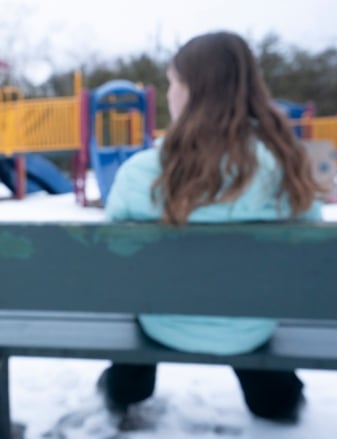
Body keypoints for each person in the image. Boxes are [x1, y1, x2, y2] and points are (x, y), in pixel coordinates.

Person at [100, 31, 323, 422]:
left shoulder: (141, 172)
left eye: (173, 83)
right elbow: (311, 248)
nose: (170, 95)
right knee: (249, 303)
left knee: (146, 297)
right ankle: (276, 396)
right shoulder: (288, 167)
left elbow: (115, 254)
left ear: (190, 90)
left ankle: (127, 383)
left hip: (163, 321)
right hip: (251, 325)